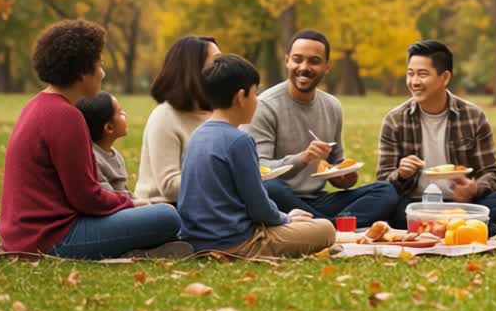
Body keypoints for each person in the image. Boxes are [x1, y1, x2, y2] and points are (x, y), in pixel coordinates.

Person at [0, 20, 187, 259]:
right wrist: (130, 204)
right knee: (167, 216)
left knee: (158, 215)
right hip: (52, 238)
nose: (103, 73)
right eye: (99, 64)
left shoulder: (36, 105)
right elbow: (87, 198)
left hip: (24, 235)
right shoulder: (66, 116)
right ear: (82, 71)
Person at [177, 54, 336, 257]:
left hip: (196, 238)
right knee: (325, 229)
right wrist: (287, 218)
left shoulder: (197, 136)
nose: (257, 102)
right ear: (240, 97)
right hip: (236, 242)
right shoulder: (239, 141)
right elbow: (259, 208)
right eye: (254, 95)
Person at [243, 30, 397, 223]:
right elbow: (259, 169)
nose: (304, 67)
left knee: (385, 191)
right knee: (271, 188)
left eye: (314, 61)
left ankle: (324, 226)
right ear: (287, 60)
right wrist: (303, 158)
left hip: (318, 199)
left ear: (327, 67)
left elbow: (335, 164)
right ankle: (335, 225)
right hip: (278, 200)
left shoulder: (332, 106)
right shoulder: (265, 106)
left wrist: (344, 178)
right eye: (297, 59)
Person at [376, 40, 496, 234]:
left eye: (422, 74)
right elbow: (382, 184)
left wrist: (474, 189)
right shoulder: (395, 120)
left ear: (444, 77)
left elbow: (491, 173)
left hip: (462, 204)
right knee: (392, 209)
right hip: (417, 205)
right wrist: (401, 175)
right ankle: (470, 226)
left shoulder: (472, 116)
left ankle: (439, 227)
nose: (414, 82)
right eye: (410, 74)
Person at [133, 35, 221, 204]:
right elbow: (170, 187)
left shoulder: (216, 113)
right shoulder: (165, 116)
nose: (223, 68)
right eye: (216, 62)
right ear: (192, 70)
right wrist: (224, 178)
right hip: (165, 209)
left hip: (207, 205)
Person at [77, 91, 131, 194]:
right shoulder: (94, 159)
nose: (125, 114)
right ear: (109, 128)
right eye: (120, 113)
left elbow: (125, 191)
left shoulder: (115, 155)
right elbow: (108, 196)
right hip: (116, 207)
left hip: (124, 204)